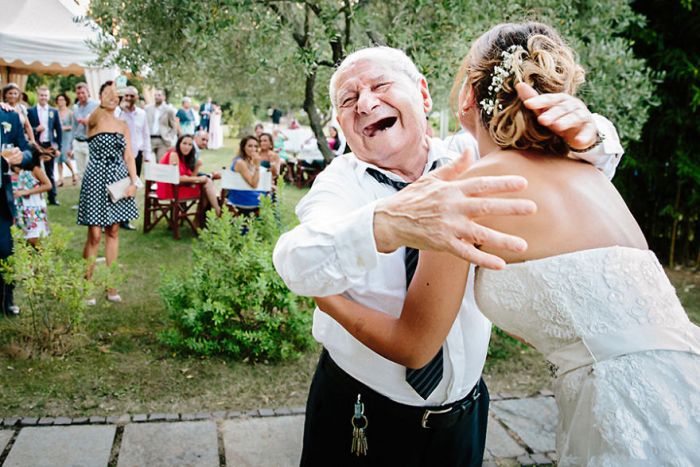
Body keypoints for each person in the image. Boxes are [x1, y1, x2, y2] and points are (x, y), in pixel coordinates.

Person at [312, 23, 700, 466]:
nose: (365, 102)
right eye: (348, 98)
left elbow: (415, 347)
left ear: (461, 99)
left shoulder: (471, 191)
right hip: (687, 385)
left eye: (381, 85)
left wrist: (326, 298)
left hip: (619, 413)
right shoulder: (589, 173)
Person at [77, 81, 139, 305]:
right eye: (107, 93)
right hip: (96, 177)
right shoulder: (95, 117)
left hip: (119, 178)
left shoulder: (123, 124)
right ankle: (86, 286)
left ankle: (111, 285)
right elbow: (98, 108)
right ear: (100, 96)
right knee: (94, 235)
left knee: (113, 231)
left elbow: (129, 156)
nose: (112, 97)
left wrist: (134, 182)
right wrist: (110, 86)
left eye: (116, 95)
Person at [0, 106, 35, 316]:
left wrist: (21, 156)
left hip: (1, 198)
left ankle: (7, 300)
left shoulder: (9, 116)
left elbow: (28, 150)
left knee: (5, 250)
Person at [156, 134, 221, 217]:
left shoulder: (184, 157)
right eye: (184, 143)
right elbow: (176, 178)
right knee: (206, 185)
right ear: (179, 143)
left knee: (206, 183)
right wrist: (199, 179)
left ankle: (207, 216)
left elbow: (189, 178)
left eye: (190, 144)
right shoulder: (174, 154)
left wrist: (197, 167)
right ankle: (216, 213)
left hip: (176, 187)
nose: (187, 147)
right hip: (169, 189)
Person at [27, 86, 62, 206]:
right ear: (38, 96)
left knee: (50, 171)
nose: (43, 97)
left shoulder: (54, 111)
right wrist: (36, 129)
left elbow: (59, 130)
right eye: (41, 95)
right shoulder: (30, 111)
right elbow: (26, 128)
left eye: (45, 95)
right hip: (35, 144)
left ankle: (52, 197)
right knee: (35, 170)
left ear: (49, 96)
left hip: (49, 145)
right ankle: (35, 195)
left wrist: (58, 148)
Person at [11, 149, 51, 245]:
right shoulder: (21, 170)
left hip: (34, 207)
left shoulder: (35, 169)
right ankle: (30, 258)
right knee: (24, 238)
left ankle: (42, 257)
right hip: (22, 208)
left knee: (34, 238)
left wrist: (26, 192)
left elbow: (48, 185)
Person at [227, 136, 267, 215]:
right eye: (250, 146)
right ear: (243, 147)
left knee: (273, 190)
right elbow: (254, 184)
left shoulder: (249, 161)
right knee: (273, 197)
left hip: (247, 197)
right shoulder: (240, 163)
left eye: (255, 146)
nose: (253, 149)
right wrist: (257, 167)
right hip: (244, 201)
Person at [70, 82, 99, 179]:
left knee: (91, 171)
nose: (81, 95)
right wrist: (70, 146)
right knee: (80, 172)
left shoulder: (96, 105)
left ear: (88, 92)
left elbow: (99, 123)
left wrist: (89, 121)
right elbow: (73, 127)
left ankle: (92, 192)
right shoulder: (75, 107)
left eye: (83, 92)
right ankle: (84, 193)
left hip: (90, 142)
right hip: (77, 142)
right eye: (78, 93)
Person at [145, 89, 179, 160]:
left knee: (161, 163)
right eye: (155, 95)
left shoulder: (169, 110)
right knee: (146, 162)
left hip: (162, 140)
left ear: (164, 97)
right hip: (149, 139)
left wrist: (170, 137)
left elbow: (174, 126)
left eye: (159, 95)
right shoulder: (147, 108)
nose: (156, 97)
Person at [55, 93, 77, 187]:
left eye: (62, 100)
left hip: (67, 136)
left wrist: (64, 128)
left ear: (66, 101)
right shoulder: (55, 112)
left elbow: (73, 126)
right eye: (59, 100)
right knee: (58, 158)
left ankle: (74, 173)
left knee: (65, 156)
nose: (61, 102)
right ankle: (61, 178)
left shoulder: (70, 113)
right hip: (58, 137)